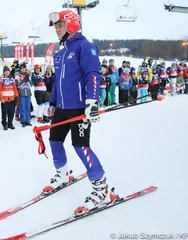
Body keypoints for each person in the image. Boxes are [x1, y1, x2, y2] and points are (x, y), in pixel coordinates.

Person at [46, 9, 117, 216]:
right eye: (56, 27)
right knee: (54, 141)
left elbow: (92, 75)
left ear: (72, 24)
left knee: (81, 146)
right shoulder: (59, 54)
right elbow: (57, 83)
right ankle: (63, 174)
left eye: (60, 25)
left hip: (79, 108)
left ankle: (101, 188)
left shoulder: (85, 47)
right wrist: (52, 102)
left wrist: (92, 102)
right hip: (61, 108)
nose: (57, 30)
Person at [0, 66, 19, 130]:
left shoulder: (12, 79)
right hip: (5, 99)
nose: (7, 72)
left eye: (8, 71)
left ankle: (10, 124)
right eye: (5, 71)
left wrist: (16, 96)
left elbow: (15, 88)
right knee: (4, 113)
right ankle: (4, 124)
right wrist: (1, 98)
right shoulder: (1, 79)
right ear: (4, 72)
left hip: (12, 98)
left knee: (11, 112)